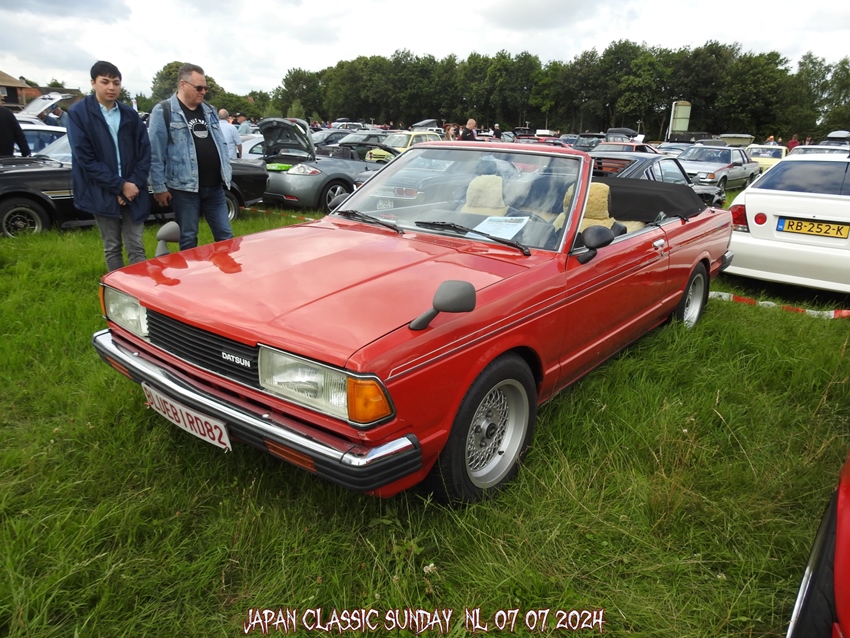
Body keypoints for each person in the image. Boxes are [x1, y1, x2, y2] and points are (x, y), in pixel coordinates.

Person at [67, 60, 151, 271]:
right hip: (101, 190)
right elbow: (85, 158)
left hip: (134, 190)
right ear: (93, 83)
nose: (111, 87)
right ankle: (117, 290)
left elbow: (144, 152)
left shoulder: (129, 115)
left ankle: (141, 288)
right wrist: (119, 186)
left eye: (116, 83)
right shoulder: (79, 114)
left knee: (136, 247)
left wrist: (132, 184)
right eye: (105, 82)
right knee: (112, 246)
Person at [148, 62, 233, 250]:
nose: (203, 92)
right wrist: (158, 187)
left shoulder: (209, 110)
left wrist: (226, 171)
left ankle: (227, 269)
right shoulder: (164, 111)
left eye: (205, 88)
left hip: (215, 187)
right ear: (183, 84)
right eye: (199, 88)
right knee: (188, 238)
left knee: (226, 237)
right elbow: (155, 153)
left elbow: (220, 143)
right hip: (184, 189)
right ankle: (191, 270)